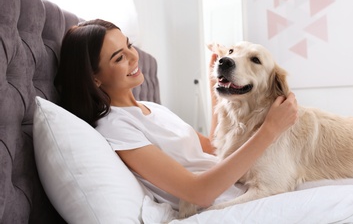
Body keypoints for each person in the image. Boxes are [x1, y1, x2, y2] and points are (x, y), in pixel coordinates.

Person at [55, 19, 298, 211]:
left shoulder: (152, 108)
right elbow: (198, 193)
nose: (133, 56)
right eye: (119, 57)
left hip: (240, 189)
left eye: (129, 45)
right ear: (94, 77)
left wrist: (218, 87)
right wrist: (269, 131)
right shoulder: (115, 126)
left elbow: (213, 148)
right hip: (221, 204)